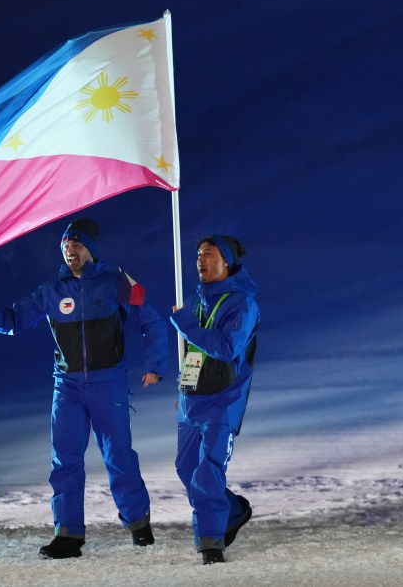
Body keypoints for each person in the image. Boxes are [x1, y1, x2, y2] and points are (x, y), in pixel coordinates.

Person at [0, 217, 167, 559]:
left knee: (119, 456)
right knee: (65, 460)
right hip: (67, 388)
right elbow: (17, 319)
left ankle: (138, 524)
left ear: (89, 249)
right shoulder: (51, 290)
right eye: (65, 246)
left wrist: (155, 364)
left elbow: (150, 321)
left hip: (108, 385)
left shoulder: (117, 281)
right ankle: (68, 535)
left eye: (76, 245)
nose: (70, 251)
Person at [170, 235, 260, 564]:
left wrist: (186, 324)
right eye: (198, 254)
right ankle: (233, 511)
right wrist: (182, 389)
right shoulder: (194, 302)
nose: (200, 259)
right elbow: (191, 353)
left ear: (226, 262)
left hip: (224, 399)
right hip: (192, 399)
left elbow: (226, 348)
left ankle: (210, 543)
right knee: (186, 469)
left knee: (208, 472)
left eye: (208, 253)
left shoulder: (242, 303)